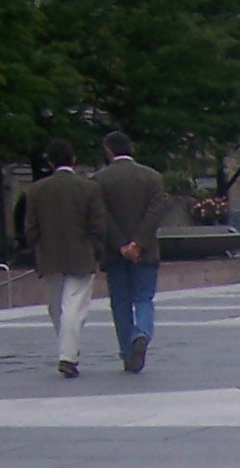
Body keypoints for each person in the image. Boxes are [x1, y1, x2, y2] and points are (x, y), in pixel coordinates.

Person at [23, 138, 106, 378]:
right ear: (74, 159)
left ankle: (67, 350)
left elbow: (31, 226)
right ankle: (68, 354)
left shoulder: (36, 190)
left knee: (55, 305)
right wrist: (96, 250)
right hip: (81, 253)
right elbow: (98, 224)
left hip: (49, 255)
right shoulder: (89, 188)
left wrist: (36, 248)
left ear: (50, 162)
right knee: (74, 304)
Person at [95, 131, 167, 375]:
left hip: (115, 254)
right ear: (132, 148)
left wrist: (122, 245)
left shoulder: (99, 180)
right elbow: (155, 213)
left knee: (120, 303)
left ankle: (128, 353)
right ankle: (142, 332)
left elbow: (102, 216)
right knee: (144, 298)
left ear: (108, 150)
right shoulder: (153, 177)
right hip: (145, 253)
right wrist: (138, 243)